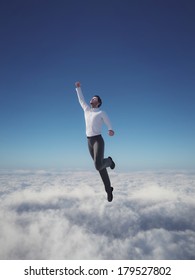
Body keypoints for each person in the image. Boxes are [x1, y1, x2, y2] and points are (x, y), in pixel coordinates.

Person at [75, 81, 115, 202]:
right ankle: (109, 190)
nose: (91, 99)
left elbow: (107, 121)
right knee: (100, 169)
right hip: (89, 141)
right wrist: (78, 88)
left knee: (98, 165)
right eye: (91, 98)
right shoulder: (86, 110)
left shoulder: (101, 112)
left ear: (98, 102)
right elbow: (81, 100)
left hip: (98, 140)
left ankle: (109, 161)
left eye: (94, 98)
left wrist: (110, 129)